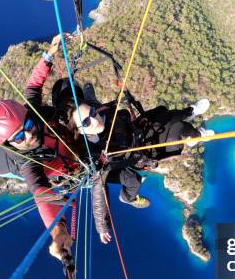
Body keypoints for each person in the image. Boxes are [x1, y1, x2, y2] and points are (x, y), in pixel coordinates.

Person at [55, 83, 213, 243]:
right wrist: (102, 227)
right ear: (80, 131)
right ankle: (196, 136)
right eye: (87, 122)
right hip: (141, 151)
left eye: (93, 113)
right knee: (178, 129)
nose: (94, 120)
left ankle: (191, 112)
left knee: (165, 115)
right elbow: (98, 191)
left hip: (138, 130)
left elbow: (91, 101)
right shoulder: (93, 154)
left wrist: (88, 88)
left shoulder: (96, 112)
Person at [0, 35, 79, 260]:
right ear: (10, 145)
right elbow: (41, 194)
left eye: (26, 125)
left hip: (63, 145)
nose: (28, 134)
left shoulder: (33, 113)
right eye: (18, 137)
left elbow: (33, 86)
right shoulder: (27, 164)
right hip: (59, 164)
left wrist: (49, 54)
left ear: (27, 115)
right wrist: (58, 231)